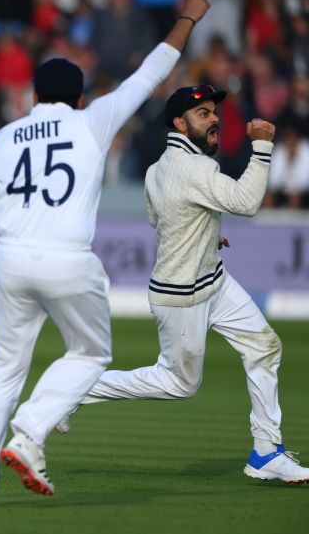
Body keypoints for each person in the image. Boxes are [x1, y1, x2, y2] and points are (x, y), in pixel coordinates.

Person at [0, 0, 210, 508]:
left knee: (2, 370)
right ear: (79, 96)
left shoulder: (5, 136)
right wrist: (189, 16)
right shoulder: (93, 121)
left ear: (33, 96)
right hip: (68, 261)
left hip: (11, 262)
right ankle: (30, 431)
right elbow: (152, 72)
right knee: (90, 352)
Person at [55, 85, 309, 484]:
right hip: (183, 294)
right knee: (178, 384)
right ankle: (75, 389)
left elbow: (161, 219)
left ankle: (266, 453)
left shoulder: (158, 168)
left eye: (212, 112)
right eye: (203, 114)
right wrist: (261, 148)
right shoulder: (196, 169)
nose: (213, 120)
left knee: (264, 346)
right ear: (179, 123)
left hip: (213, 280)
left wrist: (206, 234)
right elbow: (246, 202)